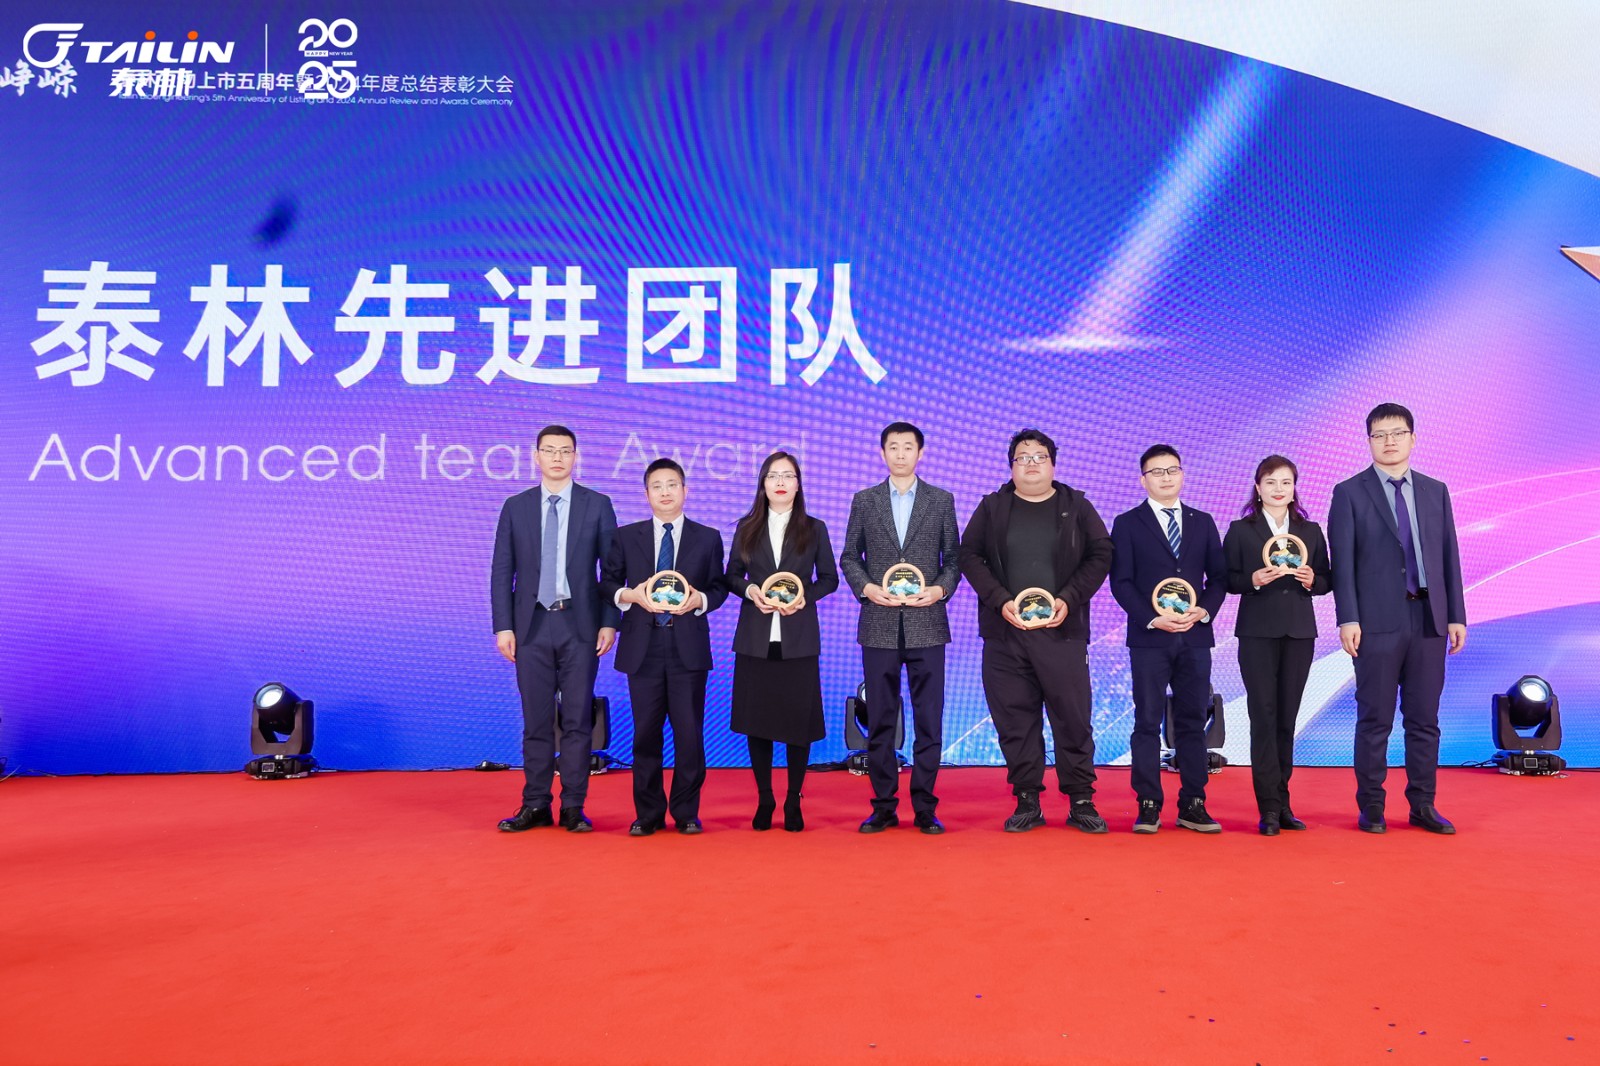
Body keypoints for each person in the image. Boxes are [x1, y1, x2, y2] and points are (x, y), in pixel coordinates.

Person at [958, 429, 1113, 833]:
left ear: (1053, 464)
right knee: (1014, 720)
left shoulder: (1076, 506)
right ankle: (1027, 800)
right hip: (1005, 634)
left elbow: (1101, 554)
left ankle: (1081, 800)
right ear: (1011, 466)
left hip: (1062, 632)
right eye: (1022, 457)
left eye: (1039, 456)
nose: (1031, 463)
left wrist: (1069, 598)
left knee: (1073, 718)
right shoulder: (992, 507)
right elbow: (968, 555)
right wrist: (999, 600)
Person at [1328, 403, 1467, 835]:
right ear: (1369, 441)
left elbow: (1449, 556)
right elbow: (1342, 564)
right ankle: (1371, 805)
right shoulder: (1349, 493)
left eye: (1397, 433)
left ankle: (1423, 805)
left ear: (1413, 438)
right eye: (1379, 435)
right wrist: (1348, 617)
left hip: (1429, 619)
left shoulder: (1435, 491)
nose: (1389, 441)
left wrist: (1456, 615)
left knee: (1424, 720)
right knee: (1375, 719)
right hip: (1375, 622)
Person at [491, 425, 618, 833]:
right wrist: (503, 626)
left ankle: (573, 807)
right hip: (530, 626)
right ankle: (535, 804)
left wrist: (609, 622)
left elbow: (611, 572)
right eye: (550, 450)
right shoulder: (516, 506)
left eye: (565, 450)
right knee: (536, 720)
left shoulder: (597, 504)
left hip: (579, 624)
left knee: (578, 719)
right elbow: (502, 571)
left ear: (576, 456)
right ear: (536, 457)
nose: (558, 457)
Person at [839, 422, 962, 835]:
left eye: (908, 447)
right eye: (893, 447)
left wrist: (940, 590)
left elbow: (954, 560)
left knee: (929, 720)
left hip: (928, 624)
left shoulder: (941, 500)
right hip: (879, 624)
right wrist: (867, 588)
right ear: (882, 453)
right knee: (880, 720)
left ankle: (925, 807)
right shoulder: (865, 500)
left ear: (920, 453)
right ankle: (883, 806)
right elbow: (849, 557)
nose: (901, 454)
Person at [600, 458, 729, 836]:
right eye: (657, 486)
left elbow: (719, 587)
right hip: (643, 646)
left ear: (685, 490)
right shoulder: (627, 536)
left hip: (687, 646)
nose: (665, 492)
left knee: (689, 734)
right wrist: (632, 595)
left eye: (672, 484)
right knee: (645, 734)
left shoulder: (707, 537)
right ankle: (648, 814)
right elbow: (607, 584)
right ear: (646, 494)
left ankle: (686, 812)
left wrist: (699, 600)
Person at [1110, 445, 1227, 834]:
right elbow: (1121, 582)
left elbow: (1219, 578)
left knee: (1193, 720)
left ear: (1182, 475)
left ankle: (1194, 803)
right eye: (1156, 472)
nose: (1165, 477)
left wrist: (1203, 610)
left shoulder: (1202, 522)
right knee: (1146, 720)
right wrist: (1151, 619)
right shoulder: (1127, 523)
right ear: (1142, 480)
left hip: (1195, 637)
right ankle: (1148, 804)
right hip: (1149, 639)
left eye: (1172, 470)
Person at [724, 452, 839, 831]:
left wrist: (805, 596)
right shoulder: (747, 527)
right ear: (763, 483)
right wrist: (750, 590)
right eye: (773, 475)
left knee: (796, 723)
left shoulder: (814, 528)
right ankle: (765, 798)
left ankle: (792, 799)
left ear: (798, 484)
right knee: (757, 721)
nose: (780, 482)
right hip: (755, 637)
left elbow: (830, 578)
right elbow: (731, 575)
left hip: (798, 637)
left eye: (788, 475)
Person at [1222, 455, 1331, 835]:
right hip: (1257, 632)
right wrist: (1252, 579)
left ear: (1295, 487)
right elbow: (1226, 579)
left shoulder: (1310, 530)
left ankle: (1284, 803)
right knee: (1263, 717)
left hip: (1299, 633)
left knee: (1287, 718)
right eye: (1270, 482)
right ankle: (1268, 807)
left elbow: (1327, 580)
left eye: (1286, 482)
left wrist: (1312, 580)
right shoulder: (1241, 530)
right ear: (1258, 488)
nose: (1278, 489)